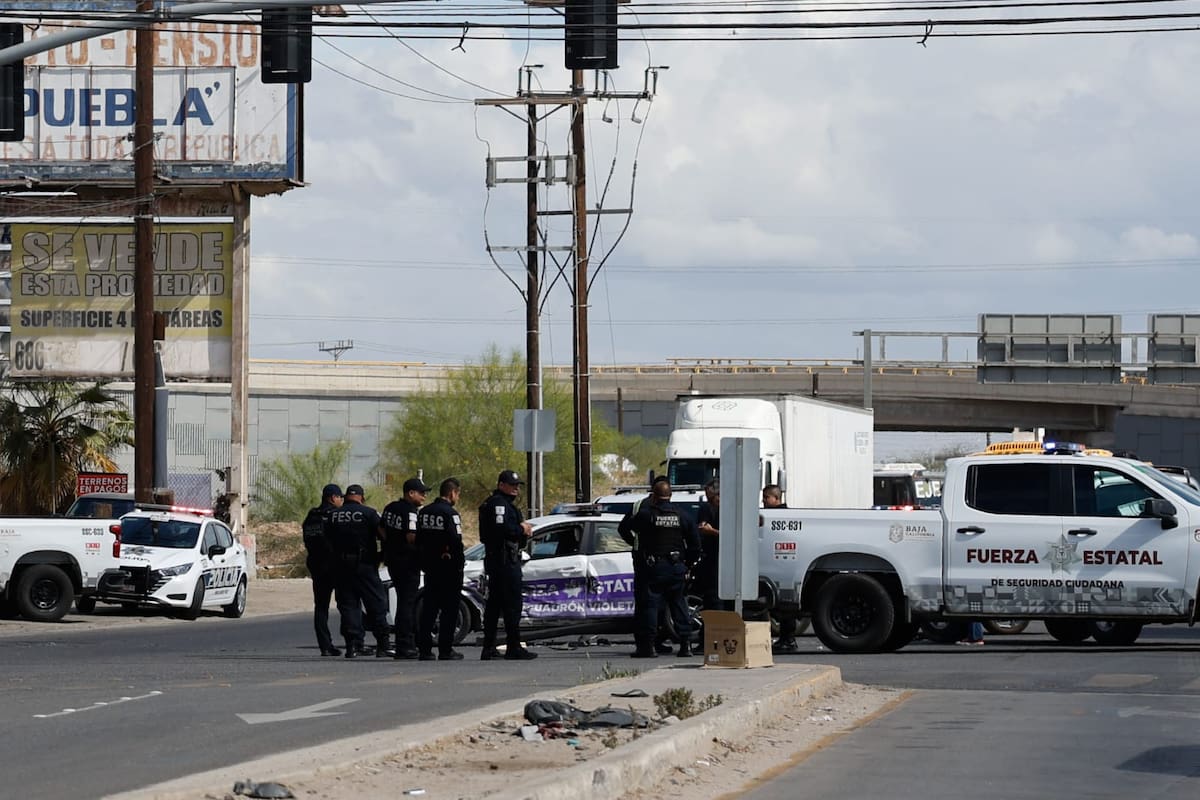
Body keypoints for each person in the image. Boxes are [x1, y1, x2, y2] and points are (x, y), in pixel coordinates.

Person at [618, 476, 701, 658]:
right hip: (676, 566)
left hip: (654, 567)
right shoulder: (682, 515)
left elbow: (625, 528)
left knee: (650, 606)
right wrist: (686, 564)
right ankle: (686, 646)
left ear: (654, 496)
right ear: (670, 496)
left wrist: (636, 544)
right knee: (679, 605)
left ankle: (648, 647)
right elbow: (695, 545)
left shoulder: (646, 514)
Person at [327, 484, 394, 659]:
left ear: (345, 497)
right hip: (365, 565)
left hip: (340, 566)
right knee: (376, 604)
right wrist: (382, 555)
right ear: (362, 498)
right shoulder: (369, 513)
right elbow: (385, 536)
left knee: (348, 606)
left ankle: (353, 646)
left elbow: (325, 541)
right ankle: (383, 645)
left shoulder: (332, 515)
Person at [479, 469, 537, 661]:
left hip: (500, 560)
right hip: (504, 561)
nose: (515, 490)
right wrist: (521, 528)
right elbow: (501, 530)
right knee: (512, 605)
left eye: (517, 486)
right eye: (512, 486)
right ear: (501, 485)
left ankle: (489, 647)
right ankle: (513, 647)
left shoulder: (499, 503)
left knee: (495, 605)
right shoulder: (498, 505)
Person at [416, 477, 466, 661]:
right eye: (457, 494)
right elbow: (455, 541)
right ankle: (445, 649)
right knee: (449, 609)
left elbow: (419, 540)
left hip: (430, 567)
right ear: (452, 493)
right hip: (449, 568)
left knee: (429, 608)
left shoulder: (424, 512)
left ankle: (424, 649)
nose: (457, 498)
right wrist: (459, 564)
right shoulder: (451, 514)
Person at [380, 477, 430, 660]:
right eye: (421, 492)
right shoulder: (410, 512)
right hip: (408, 562)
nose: (424, 496)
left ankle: (404, 643)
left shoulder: (390, 508)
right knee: (407, 604)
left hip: (392, 560)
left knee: (403, 601)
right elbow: (411, 537)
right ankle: (405, 645)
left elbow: (381, 529)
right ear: (411, 493)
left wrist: (392, 544)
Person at [301, 483, 344, 657]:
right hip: (334, 564)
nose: (341, 500)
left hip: (316, 564)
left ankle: (325, 646)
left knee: (321, 607)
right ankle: (353, 642)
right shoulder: (334, 515)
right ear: (333, 498)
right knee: (346, 604)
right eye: (340, 497)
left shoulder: (312, 516)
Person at [761, 483, 800, 655]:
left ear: (776, 498)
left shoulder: (779, 516)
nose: (763, 501)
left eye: (766, 497)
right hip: (785, 565)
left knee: (786, 607)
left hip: (784, 566)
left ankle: (788, 640)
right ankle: (786, 639)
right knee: (785, 607)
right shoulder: (786, 514)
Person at [694, 478, 724, 613]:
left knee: (717, 598)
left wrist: (712, 532)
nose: (710, 501)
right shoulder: (706, 508)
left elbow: (731, 537)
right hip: (709, 558)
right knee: (710, 597)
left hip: (722, 559)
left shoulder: (728, 510)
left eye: (712, 498)